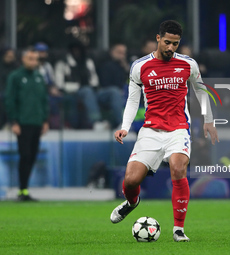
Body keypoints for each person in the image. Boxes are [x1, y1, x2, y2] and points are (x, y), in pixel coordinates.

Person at [110, 20, 218, 242]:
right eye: (167, 42)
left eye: (175, 44)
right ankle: (132, 202)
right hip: (150, 131)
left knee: (178, 168)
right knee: (131, 180)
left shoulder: (188, 64)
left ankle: (179, 229)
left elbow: (201, 90)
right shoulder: (140, 66)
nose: (171, 48)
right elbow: (133, 99)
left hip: (178, 129)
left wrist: (209, 119)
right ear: (158, 38)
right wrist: (125, 127)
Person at [5, 47, 49, 201]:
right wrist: (14, 121)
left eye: (35, 59)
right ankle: (22, 190)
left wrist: (45, 120)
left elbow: (44, 100)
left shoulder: (38, 76)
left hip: (37, 122)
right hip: (22, 123)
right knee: (25, 155)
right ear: (23, 59)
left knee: (32, 156)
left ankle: (25, 189)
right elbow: (10, 99)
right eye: (30, 58)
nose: (33, 62)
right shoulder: (15, 77)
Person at [55, 41, 106, 129]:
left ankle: (119, 123)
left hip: (91, 91)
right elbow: (59, 84)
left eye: (79, 49)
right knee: (86, 91)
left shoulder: (88, 62)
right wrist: (77, 86)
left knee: (114, 91)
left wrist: (93, 86)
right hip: (72, 92)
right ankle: (96, 121)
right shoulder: (62, 63)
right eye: (74, 49)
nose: (77, 52)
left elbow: (94, 79)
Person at [98, 44, 130, 129]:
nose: (122, 56)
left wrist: (126, 69)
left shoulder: (125, 67)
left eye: (123, 53)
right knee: (115, 92)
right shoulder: (105, 64)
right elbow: (105, 83)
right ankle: (120, 123)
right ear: (112, 52)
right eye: (119, 53)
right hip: (105, 92)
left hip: (122, 91)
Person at [34, 42, 63, 129]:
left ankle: (62, 125)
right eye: (40, 52)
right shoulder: (33, 66)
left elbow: (52, 81)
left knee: (62, 98)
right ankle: (52, 125)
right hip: (38, 92)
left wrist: (55, 89)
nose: (42, 54)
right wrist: (49, 89)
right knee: (50, 101)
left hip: (49, 91)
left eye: (44, 52)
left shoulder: (48, 66)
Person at [0, 48, 19, 129]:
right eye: (8, 56)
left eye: (12, 56)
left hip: (12, 93)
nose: (10, 58)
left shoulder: (16, 67)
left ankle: (11, 123)